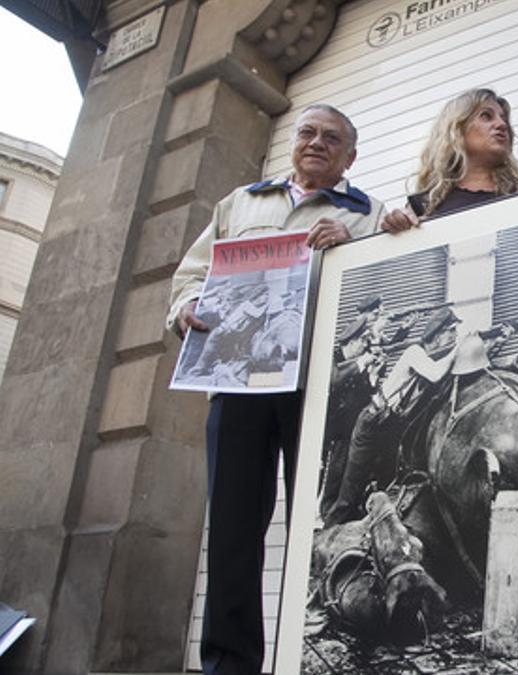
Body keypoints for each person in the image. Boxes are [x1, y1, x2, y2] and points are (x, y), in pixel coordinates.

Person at [166, 103, 386, 675]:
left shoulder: (367, 213)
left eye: (332, 138)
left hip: (319, 389)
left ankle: (308, 659)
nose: (317, 143)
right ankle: (229, 665)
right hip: (238, 385)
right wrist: (187, 304)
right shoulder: (241, 203)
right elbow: (192, 273)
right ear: (293, 141)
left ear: (350, 158)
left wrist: (354, 246)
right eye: (307, 132)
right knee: (235, 531)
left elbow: (381, 287)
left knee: (317, 526)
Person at [326, 307, 462, 525]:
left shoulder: (428, 357)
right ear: (437, 335)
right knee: (349, 494)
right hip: (372, 423)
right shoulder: (414, 352)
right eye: (451, 332)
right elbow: (436, 374)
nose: (454, 337)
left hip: (389, 427)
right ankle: (326, 537)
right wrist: (458, 350)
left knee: (387, 489)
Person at [382, 88, 518, 233]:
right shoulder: (424, 206)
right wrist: (397, 227)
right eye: (486, 116)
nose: (501, 124)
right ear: (457, 130)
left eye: (503, 118)